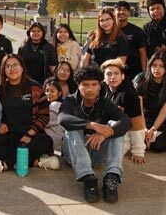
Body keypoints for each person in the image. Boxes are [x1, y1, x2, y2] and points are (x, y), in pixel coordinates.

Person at [59, 66, 131, 203]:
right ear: (78, 86)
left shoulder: (105, 102)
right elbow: (62, 118)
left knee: (114, 124)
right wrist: (91, 125)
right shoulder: (70, 100)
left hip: (97, 154)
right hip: (73, 154)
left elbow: (126, 121)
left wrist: (104, 134)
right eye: (85, 85)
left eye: (94, 84)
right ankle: (88, 178)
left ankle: (112, 177)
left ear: (99, 86)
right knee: (72, 126)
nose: (89, 89)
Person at [0, 54, 58, 175]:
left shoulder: (35, 87)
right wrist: (0, 123)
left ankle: (4, 165)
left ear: (22, 67)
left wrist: (29, 135)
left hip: (32, 136)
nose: (12, 69)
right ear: (4, 70)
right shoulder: (0, 89)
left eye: (15, 65)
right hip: (11, 136)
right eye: (7, 66)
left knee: (45, 141)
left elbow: (44, 116)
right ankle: (36, 161)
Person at [101, 58, 146, 165]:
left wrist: (138, 151)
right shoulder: (105, 90)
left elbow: (137, 124)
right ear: (104, 77)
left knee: (104, 157)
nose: (112, 77)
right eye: (109, 74)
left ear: (122, 76)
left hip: (124, 137)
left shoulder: (128, 95)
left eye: (116, 73)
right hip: (108, 131)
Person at [133, 52, 166, 153]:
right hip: (142, 118)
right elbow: (138, 106)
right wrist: (143, 129)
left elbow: (165, 110)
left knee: (158, 146)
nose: (157, 69)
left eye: (161, 66)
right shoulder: (141, 79)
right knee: (138, 140)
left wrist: (152, 129)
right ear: (149, 66)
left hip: (161, 122)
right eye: (154, 65)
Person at [115, 1, 147, 79]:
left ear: (129, 13)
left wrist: (144, 72)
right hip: (113, 71)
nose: (122, 12)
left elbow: (143, 52)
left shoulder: (137, 31)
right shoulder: (109, 30)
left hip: (133, 72)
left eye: (125, 10)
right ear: (114, 12)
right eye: (119, 9)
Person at [142, 0, 166, 72]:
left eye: (158, 8)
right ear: (149, 12)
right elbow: (143, 49)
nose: (155, 11)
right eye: (152, 9)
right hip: (154, 68)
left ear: (164, 8)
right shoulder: (146, 28)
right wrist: (154, 50)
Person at [43, 78, 66, 152]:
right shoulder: (50, 105)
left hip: (53, 140)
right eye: (47, 91)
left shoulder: (56, 105)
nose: (49, 93)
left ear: (59, 93)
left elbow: (44, 122)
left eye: (52, 91)